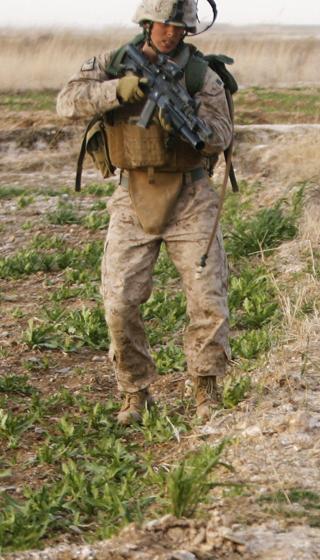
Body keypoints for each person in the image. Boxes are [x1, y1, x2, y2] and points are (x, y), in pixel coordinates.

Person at [56, 0, 234, 424]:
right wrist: (117, 90)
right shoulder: (114, 62)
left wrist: (191, 125)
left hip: (190, 195)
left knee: (208, 299)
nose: (168, 32)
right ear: (146, 22)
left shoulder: (201, 75)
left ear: (187, 30)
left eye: (177, 26)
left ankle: (206, 392)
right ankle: (135, 393)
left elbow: (222, 133)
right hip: (132, 192)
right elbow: (66, 102)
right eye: (161, 24)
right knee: (119, 301)